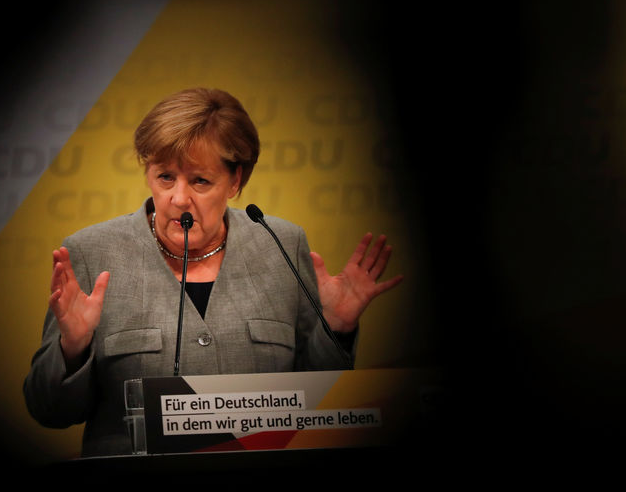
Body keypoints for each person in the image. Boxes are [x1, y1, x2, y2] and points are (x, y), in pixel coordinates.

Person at [23, 88, 403, 456]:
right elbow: (50, 412)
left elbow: (315, 404)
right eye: (165, 176)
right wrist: (71, 349)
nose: (178, 198)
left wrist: (334, 327)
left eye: (200, 180)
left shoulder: (282, 245)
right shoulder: (92, 252)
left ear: (236, 180)